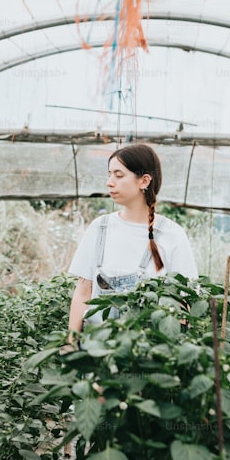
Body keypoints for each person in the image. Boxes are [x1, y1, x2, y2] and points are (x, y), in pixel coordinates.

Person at [68, 143, 197, 333]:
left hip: (148, 353)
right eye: (109, 174)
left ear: (144, 181)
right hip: (95, 351)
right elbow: (82, 292)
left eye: (119, 175)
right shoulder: (99, 228)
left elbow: (184, 301)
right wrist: (71, 343)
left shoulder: (171, 234)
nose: (110, 182)